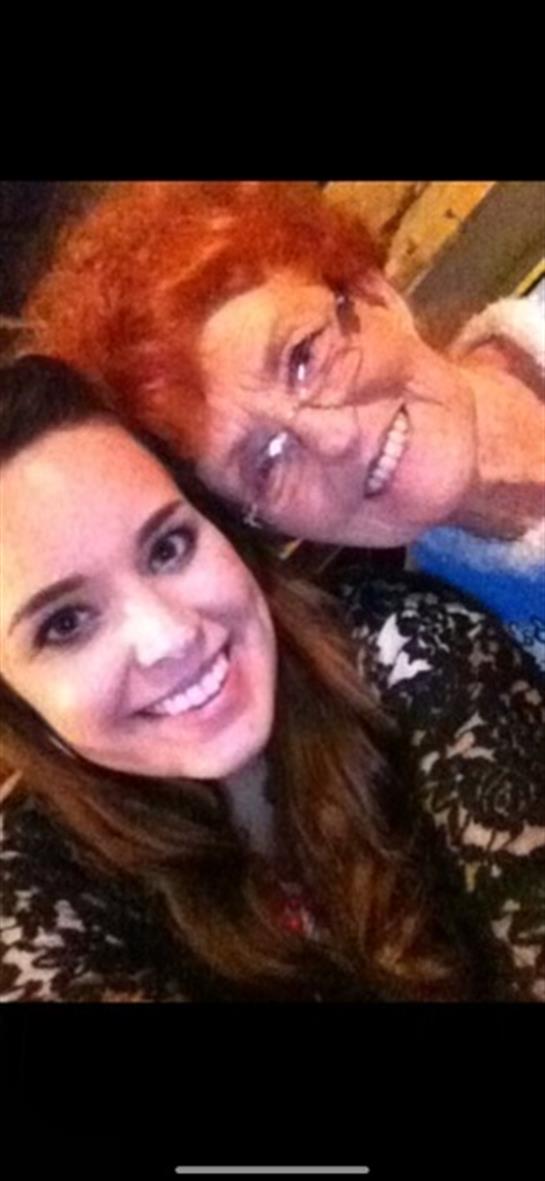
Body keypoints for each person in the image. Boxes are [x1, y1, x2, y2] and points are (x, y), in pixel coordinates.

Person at [1, 355, 545, 1003]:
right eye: (65, 624)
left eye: (168, 547)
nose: (169, 637)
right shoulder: (31, 894)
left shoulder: (407, 645)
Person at [24, 181, 545, 667]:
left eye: (304, 358)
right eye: (265, 464)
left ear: (374, 294)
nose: (333, 438)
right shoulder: (467, 652)